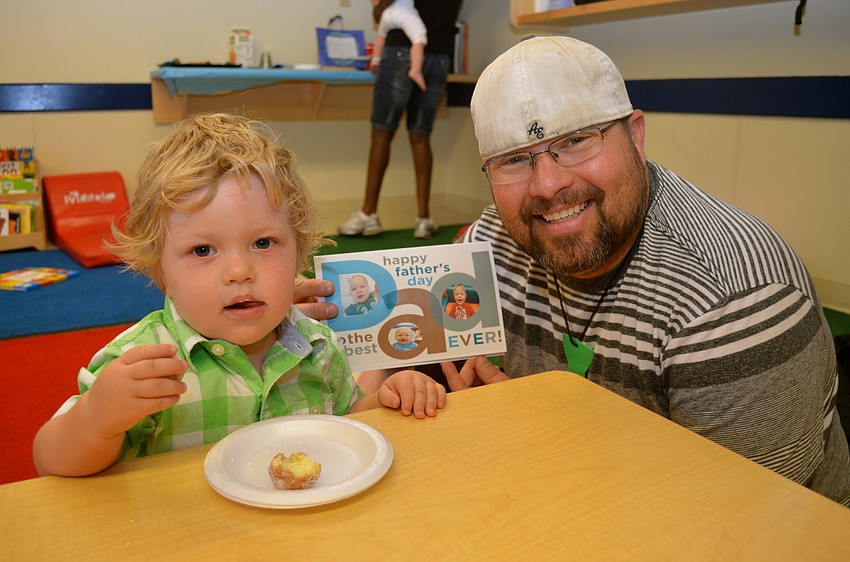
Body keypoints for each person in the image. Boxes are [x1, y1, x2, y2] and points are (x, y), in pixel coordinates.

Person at [300, 36, 850, 507]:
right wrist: (290, 334)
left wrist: (531, 435)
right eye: (514, 159)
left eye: (575, 141)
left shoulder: (735, 305)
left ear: (635, 134)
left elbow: (740, 523)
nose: (546, 185)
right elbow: (393, 367)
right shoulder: (486, 243)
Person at [32, 113, 446, 478]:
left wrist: (381, 401)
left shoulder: (319, 346)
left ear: (299, 251)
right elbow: (50, 462)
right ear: (158, 269)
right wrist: (96, 419)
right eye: (202, 250)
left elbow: (343, 426)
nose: (239, 272)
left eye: (263, 243)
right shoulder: (142, 361)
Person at [338, 0, 463, 239]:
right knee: (421, 136)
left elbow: (379, 12)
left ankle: (368, 215)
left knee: (382, 134)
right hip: (439, 56)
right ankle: (424, 219)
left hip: (400, 52)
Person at [371, 0, 427, 92]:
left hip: (387, 14)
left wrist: (375, 60)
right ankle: (415, 70)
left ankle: (375, 59)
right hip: (404, 13)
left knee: (381, 36)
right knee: (419, 39)